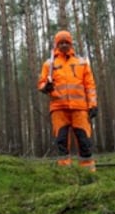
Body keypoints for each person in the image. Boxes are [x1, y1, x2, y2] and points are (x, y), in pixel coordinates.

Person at [37, 30, 98, 171]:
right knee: (61, 141)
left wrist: (93, 105)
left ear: (71, 44)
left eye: (67, 42)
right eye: (61, 43)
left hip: (80, 108)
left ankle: (88, 172)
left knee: (84, 140)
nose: (64, 45)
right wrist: (46, 87)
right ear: (56, 45)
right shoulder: (49, 64)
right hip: (58, 108)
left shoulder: (81, 62)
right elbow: (41, 84)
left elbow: (90, 86)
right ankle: (65, 173)